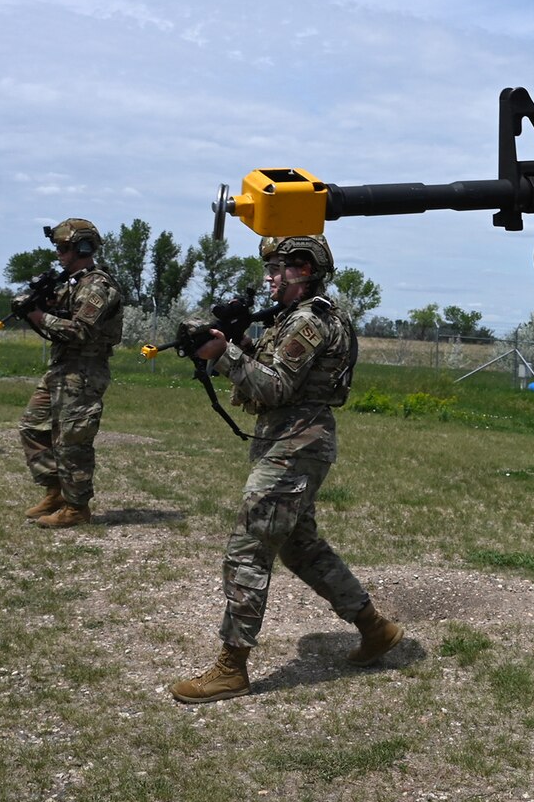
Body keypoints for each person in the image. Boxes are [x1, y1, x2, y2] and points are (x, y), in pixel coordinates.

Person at [169, 234, 401, 705]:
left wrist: (225, 356)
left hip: (297, 444)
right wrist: (228, 343)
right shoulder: (290, 320)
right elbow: (269, 373)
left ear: (305, 270)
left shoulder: (309, 323)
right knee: (300, 546)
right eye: (269, 269)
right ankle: (375, 628)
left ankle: (231, 668)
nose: (270, 278)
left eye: (279, 269)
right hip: (289, 440)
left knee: (249, 547)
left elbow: (274, 387)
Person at [19, 218, 124, 528]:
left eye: (63, 248)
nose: (58, 254)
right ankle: (56, 491)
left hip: (84, 372)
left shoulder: (98, 285)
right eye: (57, 248)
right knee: (32, 427)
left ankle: (76, 507)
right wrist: (43, 305)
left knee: (72, 440)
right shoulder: (72, 282)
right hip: (61, 368)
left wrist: (38, 316)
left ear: (82, 247)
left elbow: (80, 331)